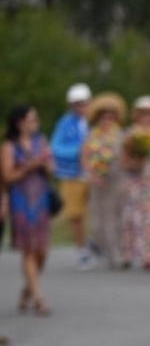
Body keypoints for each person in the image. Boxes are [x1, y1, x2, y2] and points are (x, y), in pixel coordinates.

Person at [3, 106, 57, 316]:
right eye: (31, 119)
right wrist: (27, 167)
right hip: (20, 200)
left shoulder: (41, 141)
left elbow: (52, 169)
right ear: (20, 122)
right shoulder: (9, 146)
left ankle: (28, 288)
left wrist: (45, 165)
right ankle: (38, 298)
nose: (35, 122)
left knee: (41, 250)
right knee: (28, 249)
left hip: (41, 198)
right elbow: (7, 176)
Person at [120, 96, 150, 270]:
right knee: (136, 217)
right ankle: (136, 254)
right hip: (136, 180)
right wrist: (137, 159)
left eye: (149, 113)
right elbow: (124, 161)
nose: (146, 116)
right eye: (143, 113)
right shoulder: (131, 134)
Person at [83, 93, 128, 270]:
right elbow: (85, 157)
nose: (107, 119)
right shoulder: (91, 136)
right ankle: (108, 252)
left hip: (117, 179)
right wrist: (92, 174)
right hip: (98, 181)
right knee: (100, 219)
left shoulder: (121, 135)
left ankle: (119, 253)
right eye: (104, 116)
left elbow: (126, 156)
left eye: (111, 116)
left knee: (117, 216)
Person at [51, 83, 94, 269]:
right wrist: (78, 151)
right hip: (73, 175)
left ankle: (97, 244)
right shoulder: (65, 123)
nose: (81, 107)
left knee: (97, 213)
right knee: (76, 215)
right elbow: (56, 147)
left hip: (95, 174)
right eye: (77, 104)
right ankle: (81, 250)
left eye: (83, 103)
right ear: (71, 105)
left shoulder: (95, 121)